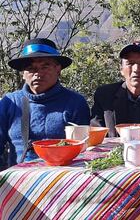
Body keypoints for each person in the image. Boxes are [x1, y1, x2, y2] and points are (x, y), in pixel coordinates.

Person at [0, 38, 89, 167]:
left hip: (64, 179)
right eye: (31, 68)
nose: (38, 73)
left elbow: (84, 150)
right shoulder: (10, 103)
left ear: (58, 69)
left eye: (45, 66)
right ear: (23, 74)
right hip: (19, 180)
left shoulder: (75, 103)